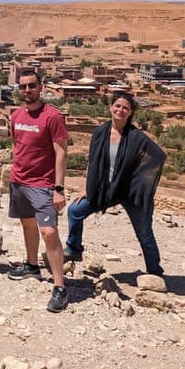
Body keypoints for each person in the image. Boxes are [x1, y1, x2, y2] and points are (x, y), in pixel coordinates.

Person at [64, 91, 167, 275]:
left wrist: (141, 184)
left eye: (125, 108)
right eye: (117, 106)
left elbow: (158, 156)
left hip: (129, 192)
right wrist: (86, 187)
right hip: (105, 189)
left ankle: (154, 270)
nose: (120, 110)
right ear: (111, 107)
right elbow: (93, 161)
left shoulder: (137, 137)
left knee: (144, 232)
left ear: (130, 112)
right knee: (75, 210)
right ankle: (74, 249)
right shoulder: (99, 133)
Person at [7, 69, 70, 313]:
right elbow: (17, 145)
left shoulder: (52, 116)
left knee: (49, 232)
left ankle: (60, 286)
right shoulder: (16, 116)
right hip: (19, 181)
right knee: (27, 224)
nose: (27, 90)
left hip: (43, 184)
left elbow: (62, 152)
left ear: (41, 87)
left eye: (32, 86)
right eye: (22, 87)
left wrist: (59, 188)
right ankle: (32, 266)